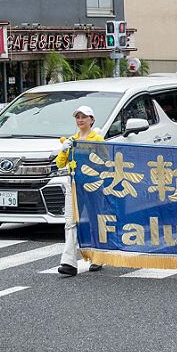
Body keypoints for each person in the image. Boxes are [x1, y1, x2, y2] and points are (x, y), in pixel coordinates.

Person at [56, 106, 104, 277]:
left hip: (92, 185)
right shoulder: (71, 140)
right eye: (77, 117)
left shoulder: (97, 139)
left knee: (93, 219)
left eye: (84, 117)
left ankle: (97, 256)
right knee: (70, 222)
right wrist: (64, 150)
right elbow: (60, 164)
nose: (80, 120)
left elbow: (104, 161)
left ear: (91, 119)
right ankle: (69, 262)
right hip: (73, 185)